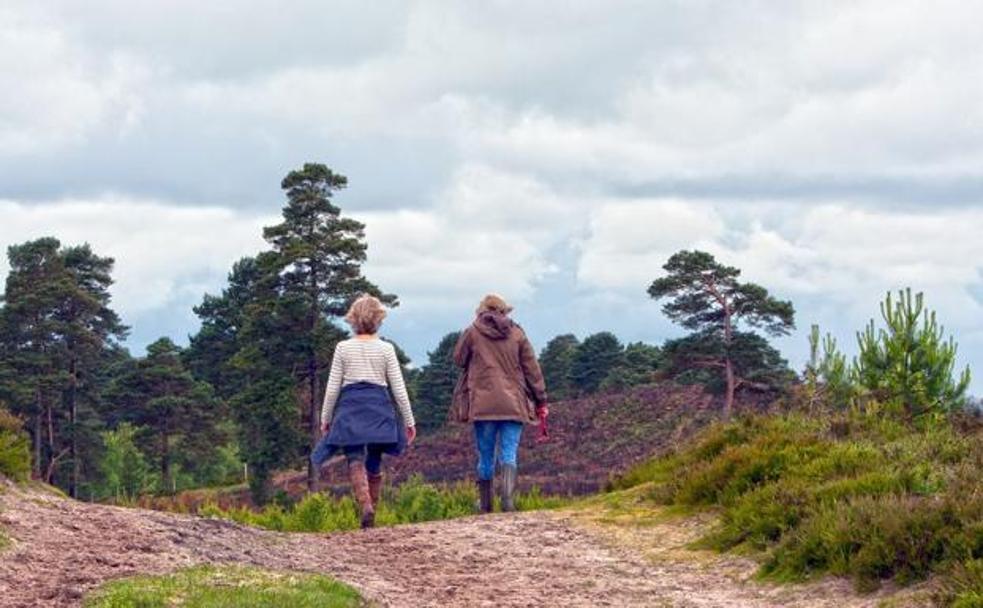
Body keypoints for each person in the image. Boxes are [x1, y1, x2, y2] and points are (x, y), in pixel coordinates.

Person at [311, 295, 417, 529]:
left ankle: (365, 505)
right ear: (378, 319)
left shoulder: (343, 348)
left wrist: (326, 419)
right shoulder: (386, 349)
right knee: (375, 459)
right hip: (379, 407)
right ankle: (372, 515)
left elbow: (332, 389)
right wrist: (409, 421)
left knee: (354, 458)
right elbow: (399, 389)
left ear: (353, 319)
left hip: (350, 407)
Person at [452, 294, 548, 513]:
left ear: (482, 311)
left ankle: (485, 505)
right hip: (513, 403)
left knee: (485, 454)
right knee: (509, 452)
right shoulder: (517, 333)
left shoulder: (473, 332)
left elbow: (458, 359)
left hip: (483, 404)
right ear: (504, 311)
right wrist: (541, 400)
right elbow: (532, 370)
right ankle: (507, 500)